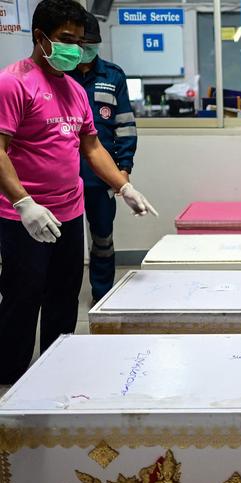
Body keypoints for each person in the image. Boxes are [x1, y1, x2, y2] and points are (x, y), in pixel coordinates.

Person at [0, 0, 157, 384]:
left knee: (64, 296)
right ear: (40, 38)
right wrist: (24, 203)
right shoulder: (12, 82)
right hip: (25, 217)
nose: (75, 48)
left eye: (79, 40)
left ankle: (58, 370)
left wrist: (124, 186)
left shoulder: (74, 89)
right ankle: (10, 378)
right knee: (23, 298)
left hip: (68, 213)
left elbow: (91, 146)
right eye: (66, 39)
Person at [68, 12, 137, 302]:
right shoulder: (60, 75)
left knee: (102, 238)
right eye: (82, 43)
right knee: (64, 242)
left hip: (102, 173)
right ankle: (63, 293)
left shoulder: (112, 75)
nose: (87, 49)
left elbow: (125, 125)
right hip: (65, 175)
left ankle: (102, 294)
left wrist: (124, 168)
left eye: (92, 43)